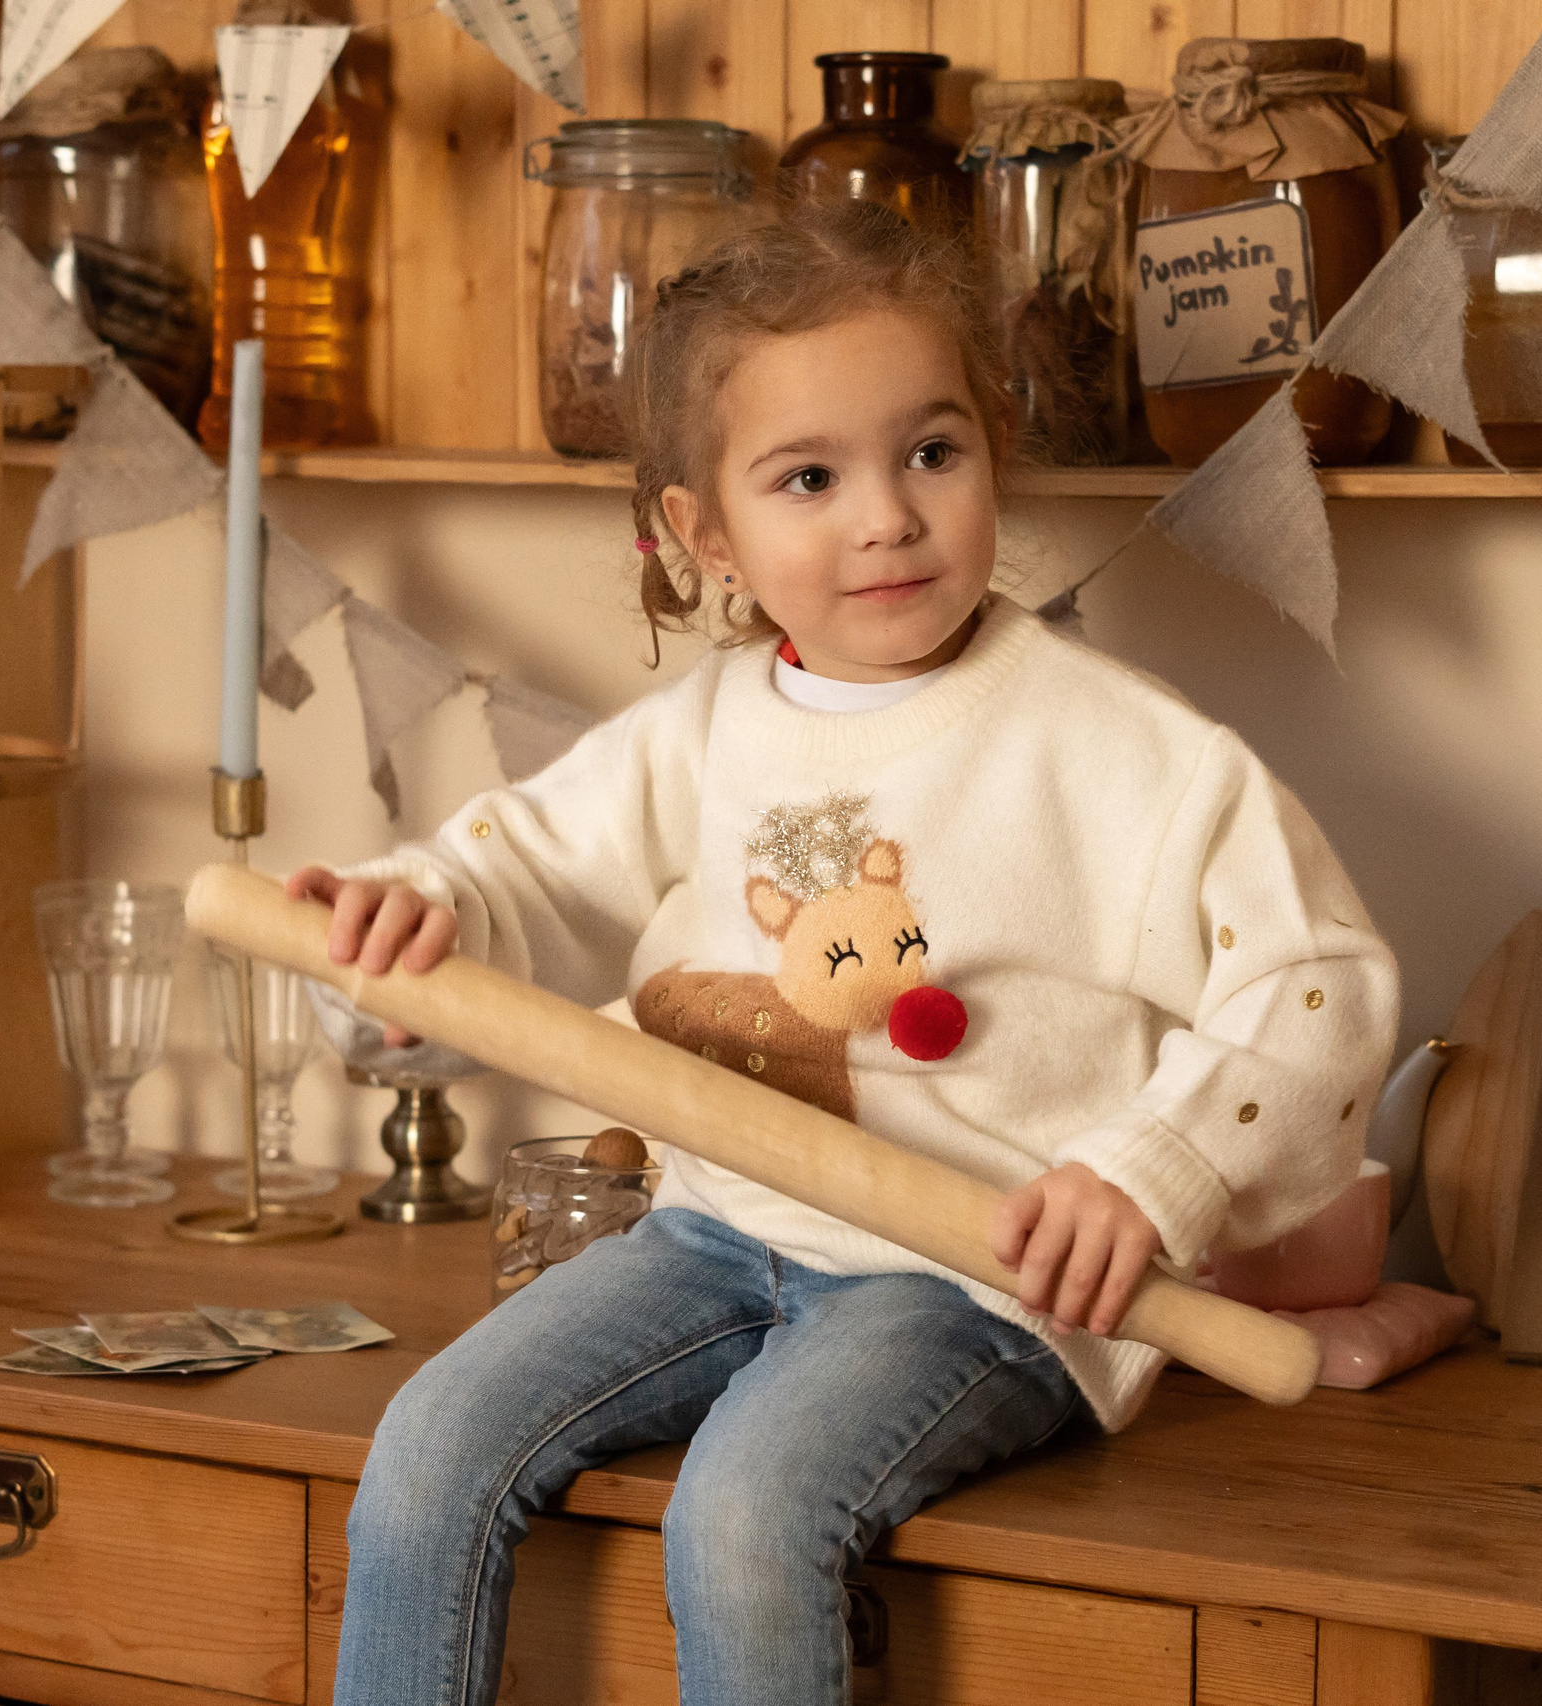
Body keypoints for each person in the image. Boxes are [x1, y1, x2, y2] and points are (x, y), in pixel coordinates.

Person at [292, 204, 1399, 1706]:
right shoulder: (702, 731)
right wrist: (418, 908)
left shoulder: (1115, 745)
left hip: (973, 1283)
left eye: (931, 452)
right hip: (708, 1233)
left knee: (747, 1513)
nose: (885, 516)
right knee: (427, 1449)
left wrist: (1154, 1174)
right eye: (809, 478)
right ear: (707, 533)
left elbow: (1318, 978)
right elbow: (524, 869)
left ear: (995, 448)